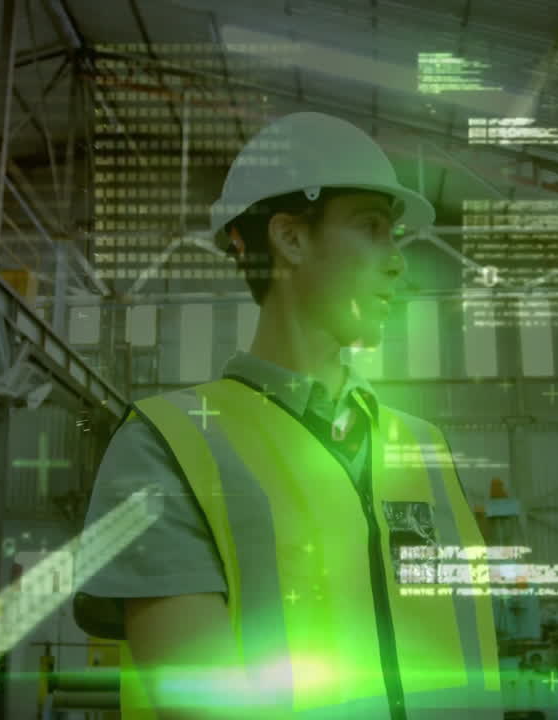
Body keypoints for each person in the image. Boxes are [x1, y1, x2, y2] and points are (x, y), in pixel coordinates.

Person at [73, 112, 502, 719]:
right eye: (372, 228)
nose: (397, 260)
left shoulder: (423, 448)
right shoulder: (167, 448)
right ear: (291, 239)